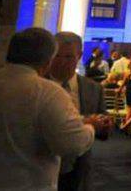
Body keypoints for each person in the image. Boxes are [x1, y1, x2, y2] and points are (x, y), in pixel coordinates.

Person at [0, 28, 103, 189]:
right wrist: (90, 126)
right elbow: (71, 144)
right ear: (48, 60)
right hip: (30, 183)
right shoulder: (48, 92)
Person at [50, 31, 108, 191]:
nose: (61, 62)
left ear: (79, 55)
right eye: (57, 56)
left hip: (79, 168)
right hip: (43, 167)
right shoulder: (38, 86)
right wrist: (85, 122)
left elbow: (104, 127)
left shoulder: (93, 88)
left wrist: (103, 124)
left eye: (68, 57)